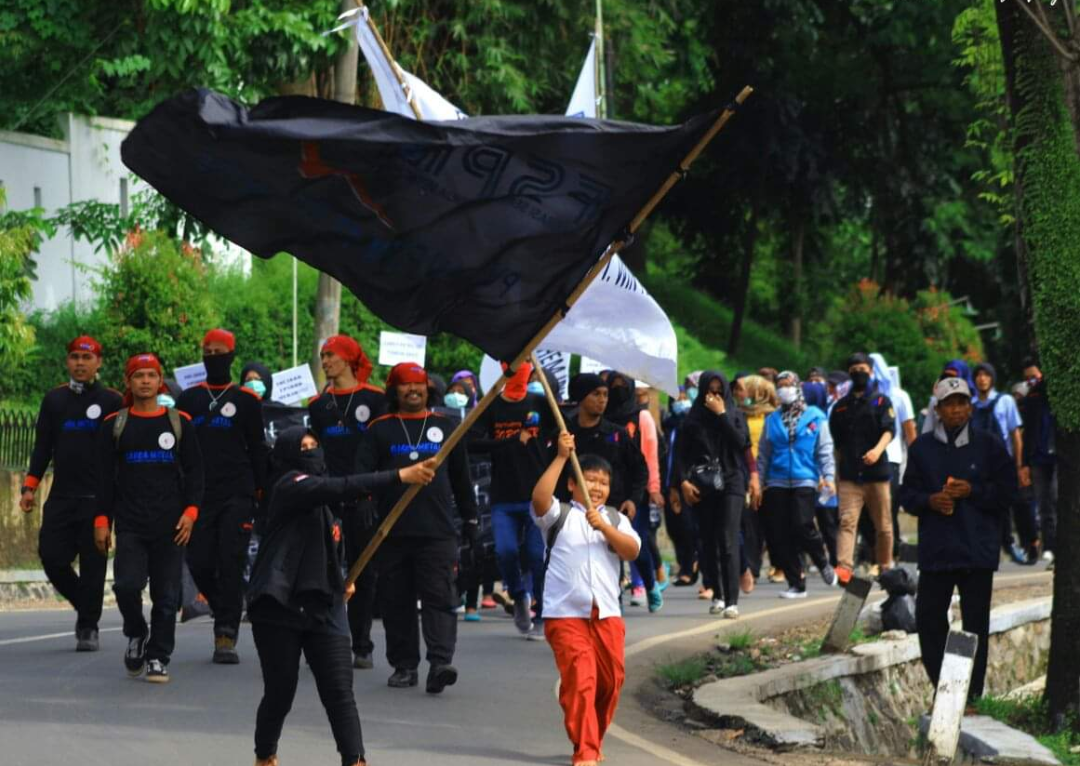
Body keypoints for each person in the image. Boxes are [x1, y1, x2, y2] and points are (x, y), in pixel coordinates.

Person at [246, 426, 436, 766]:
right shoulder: (288, 485)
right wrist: (400, 475)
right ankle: (265, 755)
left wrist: (340, 579)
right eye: (302, 448)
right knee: (280, 691)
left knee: (339, 691)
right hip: (279, 605)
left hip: (325, 604)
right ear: (287, 456)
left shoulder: (329, 509)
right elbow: (340, 486)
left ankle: (355, 759)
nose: (311, 452)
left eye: (314, 446)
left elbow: (329, 546)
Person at [354, 362, 478, 693]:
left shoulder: (447, 427)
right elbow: (363, 474)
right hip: (391, 531)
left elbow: (462, 479)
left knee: (440, 597)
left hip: (437, 532)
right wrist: (364, 501)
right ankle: (404, 666)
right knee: (397, 601)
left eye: (419, 384)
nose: (413, 389)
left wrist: (471, 518)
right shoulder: (379, 429)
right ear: (394, 391)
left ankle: (440, 663)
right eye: (405, 384)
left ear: (429, 389)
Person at [901, 377, 1015, 702]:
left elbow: (1008, 492)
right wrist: (930, 500)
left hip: (977, 550)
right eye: (949, 404)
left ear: (970, 407)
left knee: (975, 624)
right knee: (928, 619)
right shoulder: (921, 448)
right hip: (937, 550)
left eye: (962, 403)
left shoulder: (989, 445)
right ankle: (944, 690)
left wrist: (972, 491)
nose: (956, 410)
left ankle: (973, 696)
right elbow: (907, 495)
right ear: (937, 410)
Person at [531, 431, 641, 766]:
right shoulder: (560, 514)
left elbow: (632, 550)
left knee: (610, 681)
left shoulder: (615, 519)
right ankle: (586, 750)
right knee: (581, 678)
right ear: (572, 484)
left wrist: (605, 528)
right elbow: (539, 499)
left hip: (606, 614)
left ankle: (591, 738)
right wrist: (562, 457)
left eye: (603, 482)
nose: (596, 487)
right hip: (565, 613)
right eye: (590, 479)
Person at [95, 353, 204, 683]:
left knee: (167, 596)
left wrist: (191, 512)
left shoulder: (179, 422)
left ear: (160, 382)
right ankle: (136, 632)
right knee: (126, 586)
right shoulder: (115, 425)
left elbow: (196, 473)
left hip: (171, 525)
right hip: (130, 523)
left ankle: (158, 656)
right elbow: (103, 478)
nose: (145, 381)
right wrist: (101, 520)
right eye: (138, 375)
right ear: (128, 382)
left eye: (151, 375)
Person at [20, 336, 123, 651]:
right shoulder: (54, 400)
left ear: (98, 362)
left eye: (87, 358)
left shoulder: (112, 401)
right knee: (51, 557)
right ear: (68, 361)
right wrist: (30, 486)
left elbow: (123, 448)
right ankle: (85, 604)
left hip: (97, 499)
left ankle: (88, 627)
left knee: (93, 566)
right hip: (62, 497)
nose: (80, 363)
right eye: (75, 357)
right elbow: (42, 447)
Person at [177, 328, 268, 664]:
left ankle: (226, 633)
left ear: (231, 355)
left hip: (237, 493)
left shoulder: (246, 401)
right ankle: (226, 606)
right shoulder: (189, 400)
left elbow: (257, 449)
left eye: (219, 352)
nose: (213, 357)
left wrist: (262, 491)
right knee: (199, 560)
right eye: (208, 352)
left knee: (231, 559)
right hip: (199, 494)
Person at [308, 335, 386, 670]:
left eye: (331, 355)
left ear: (348, 359)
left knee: (362, 570)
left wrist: (372, 493)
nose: (325, 361)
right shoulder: (318, 404)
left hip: (365, 497)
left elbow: (383, 450)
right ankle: (323, 640)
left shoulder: (376, 399)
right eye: (323, 356)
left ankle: (362, 644)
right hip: (329, 496)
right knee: (322, 570)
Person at [471, 362, 555, 637]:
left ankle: (541, 612)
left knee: (536, 556)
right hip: (503, 497)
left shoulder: (541, 403)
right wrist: (510, 441)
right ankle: (518, 596)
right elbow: (471, 443)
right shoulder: (491, 405)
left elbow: (562, 433)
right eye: (513, 366)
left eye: (524, 365)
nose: (519, 371)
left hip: (536, 497)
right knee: (505, 551)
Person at [676, 371, 751, 618]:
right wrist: (683, 482)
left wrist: (721, 415)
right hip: (703, 483)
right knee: (708, 541)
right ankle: (717, 593)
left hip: (731, 481)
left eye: (719, 391)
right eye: (710, 391)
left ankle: (732, 601)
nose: (714, 396)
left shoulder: (735, 415)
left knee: (728, 539)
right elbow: (681, 454)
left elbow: (741, 444)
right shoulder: (692, 419)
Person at [757, 372, 838, 598]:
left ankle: (822, 562)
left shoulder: (815, 417)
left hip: (805, 478)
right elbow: (764, 454)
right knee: (781, 532)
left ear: (797, 387)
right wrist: (758, 482)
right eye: (780, 386)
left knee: (803, 524)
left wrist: (829, 476)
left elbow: (824, 449)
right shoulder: (771, 420)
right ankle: (796, 583)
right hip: (776, 480)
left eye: (788, 385)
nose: (784, 389)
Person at [829, 352, 895, 584]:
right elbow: (837, 445)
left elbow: (889, 431)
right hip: (850, 475)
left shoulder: (881, 401)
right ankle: (844, 568)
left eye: (863, 368)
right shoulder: (840, 407)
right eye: (854, 369)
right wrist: (836, 475)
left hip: (877, 475)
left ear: (871, 371)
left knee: (883, 525)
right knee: (847, 522)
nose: (859, 372)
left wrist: (877, 451)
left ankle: (885, 565)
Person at [604, 372, 664, 613]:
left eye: (622, 386)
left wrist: (653, 488)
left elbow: (650, 456)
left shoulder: (641, 418)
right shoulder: (603, 417)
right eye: (614, 386)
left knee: (636, 542)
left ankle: (649, 584)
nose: (618, 390)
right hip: (608, 491)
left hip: (636, 491)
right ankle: (615, 597)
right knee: (610, 545)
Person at [972, 362, 1033, 563]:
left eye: (986, 375)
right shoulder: (971, 404)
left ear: (992, 378)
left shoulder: (1005, 401)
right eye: (978, 375)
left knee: (1006, 505)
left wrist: (1019, 464)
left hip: (1002, 461)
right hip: (979, 463)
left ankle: (1010, 543)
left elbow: (1015, 434)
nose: (982, 379)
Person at [735, 374, 774, 586]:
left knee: (769, 524)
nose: (740, 393)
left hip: (770, 475)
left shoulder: (771, 415)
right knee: (750, 523)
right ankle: (752, 567)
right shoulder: (738, 414)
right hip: (746, 475)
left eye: (744, 389)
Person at [1018, 358, 1056, 567]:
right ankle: (1050, 546)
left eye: (1034, 377)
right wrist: (1024, 463)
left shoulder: (1056, 395)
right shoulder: (1031, 399)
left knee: (1057, 497)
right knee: (1044, 505)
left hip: (1057, 456)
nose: (1031, 381)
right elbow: (1027, 433)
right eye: (1027, 379)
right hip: (1038, 458)